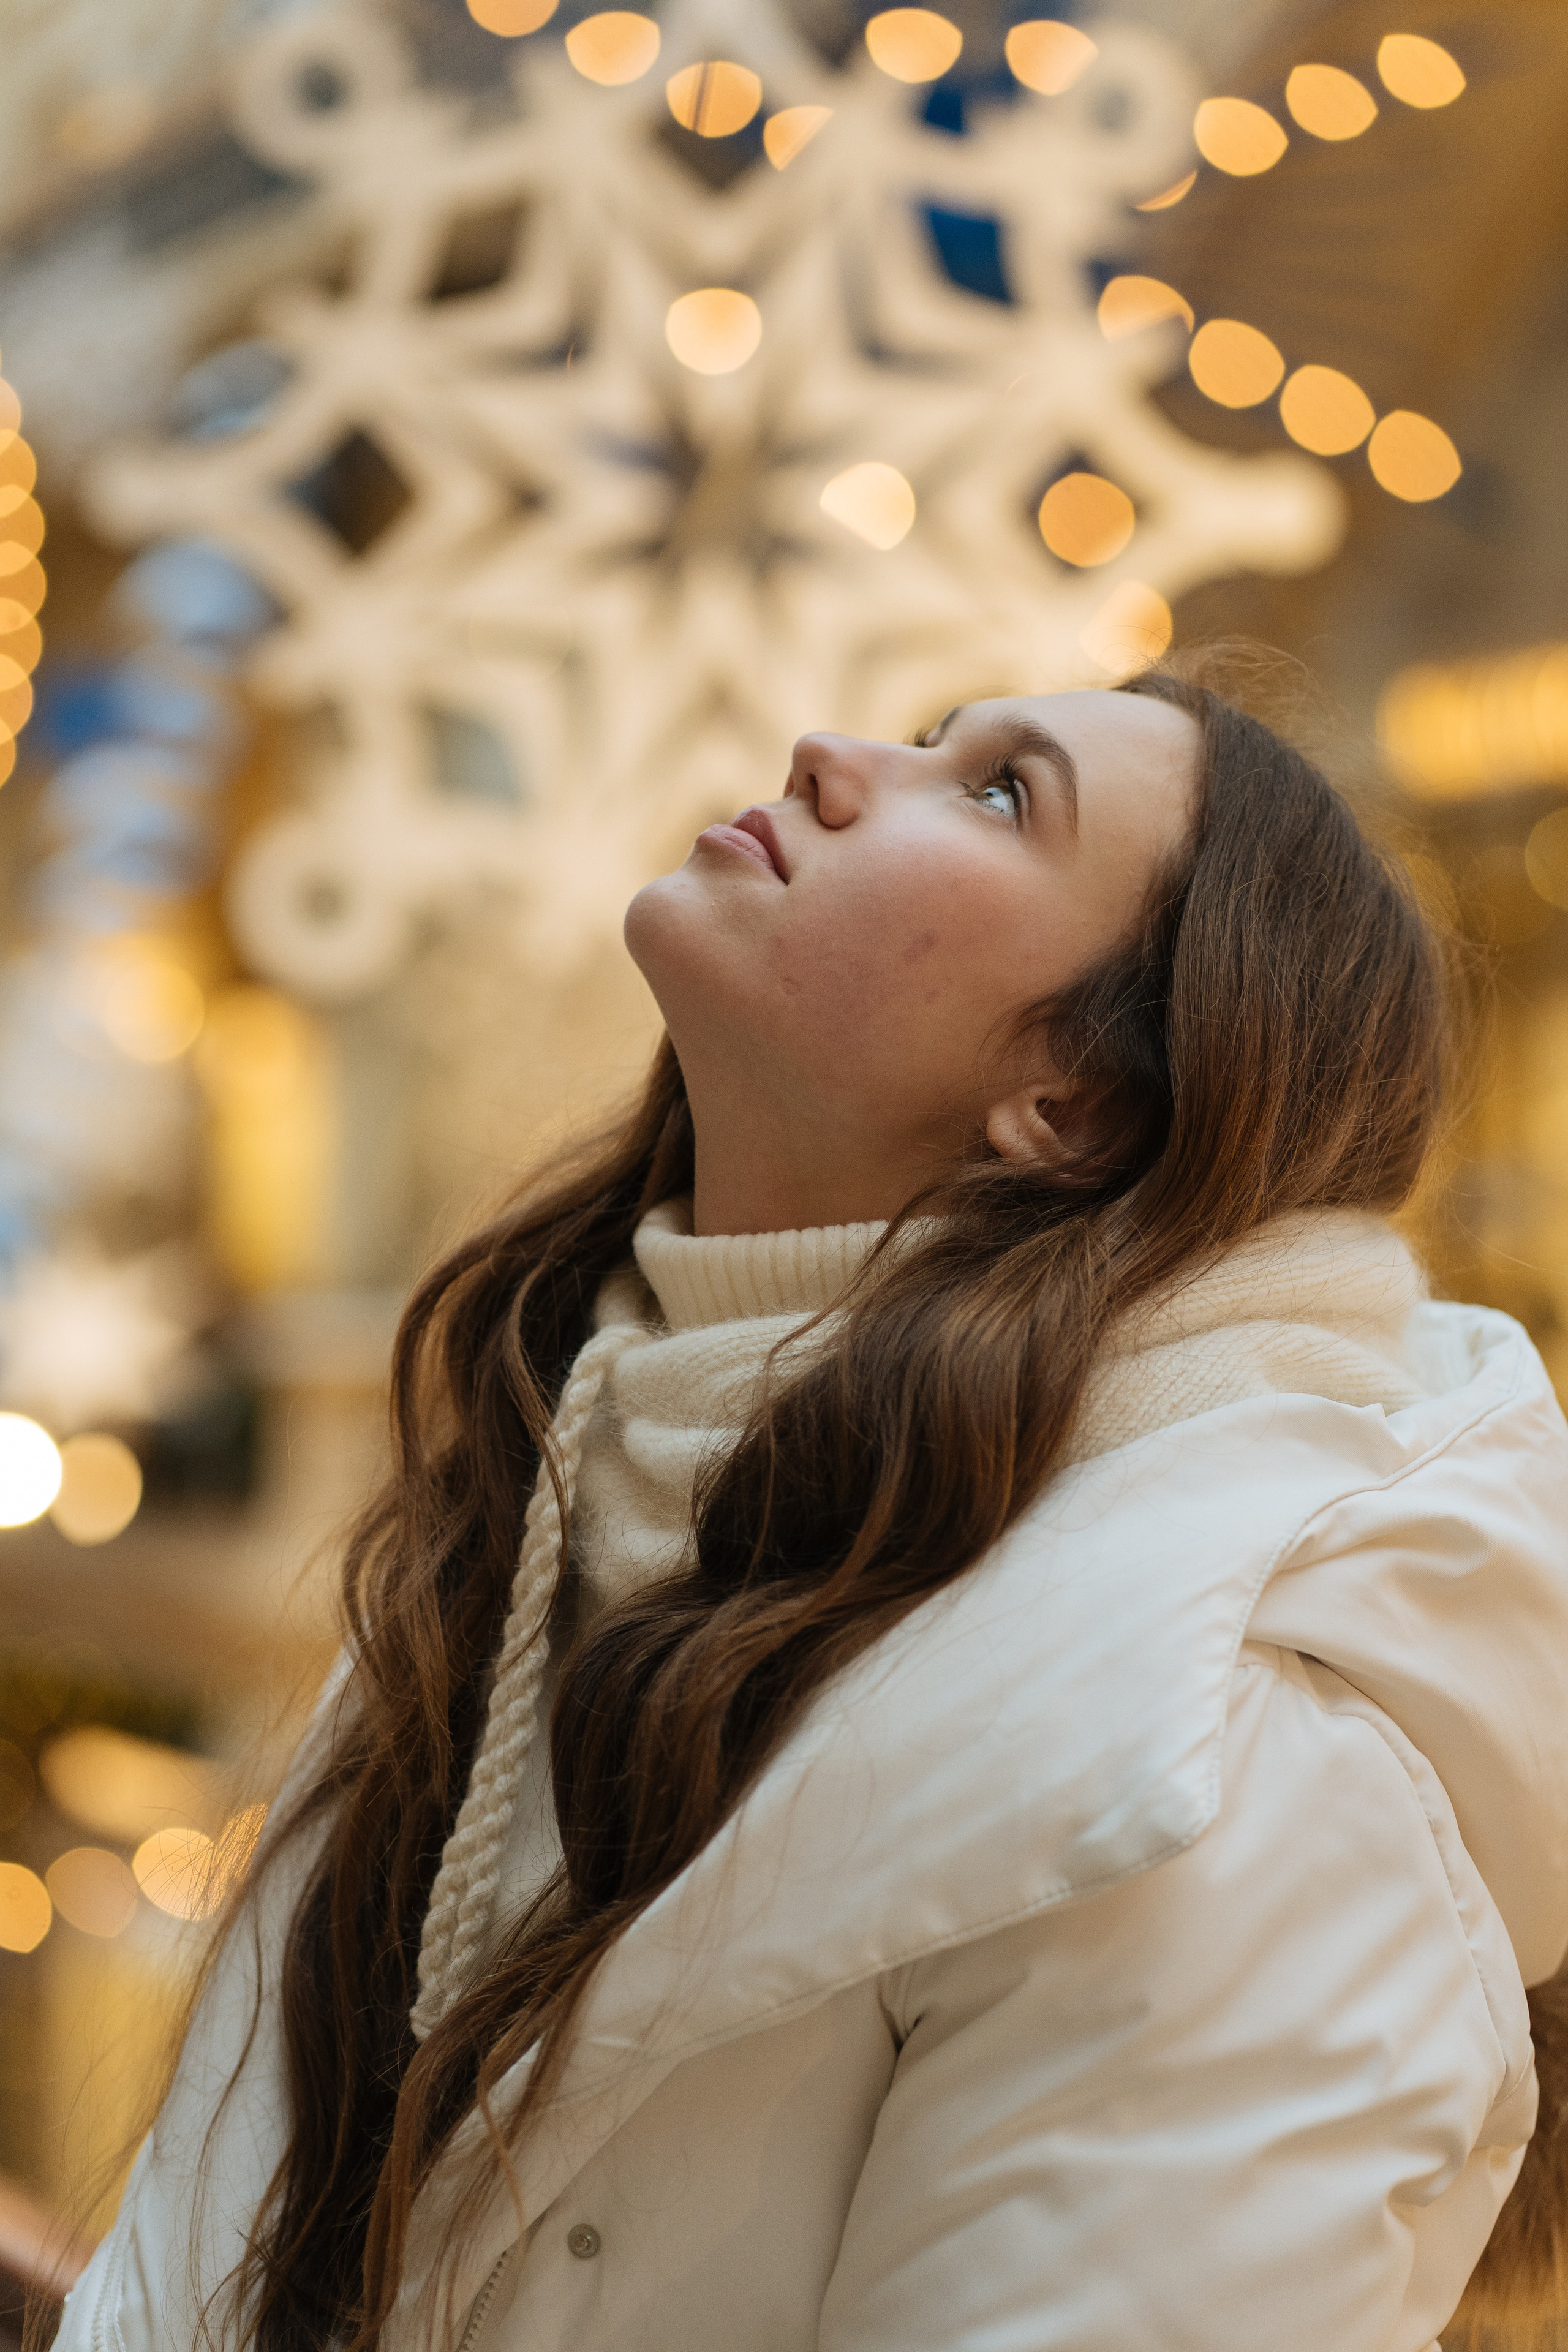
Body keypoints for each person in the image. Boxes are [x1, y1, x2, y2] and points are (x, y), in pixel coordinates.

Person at [56, 659, 1568, 2352]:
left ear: (1072, 1105)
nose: (835, 757)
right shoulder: (571, 1476)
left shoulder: (1237, 1757)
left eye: (1001, 791)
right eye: (937, 741)